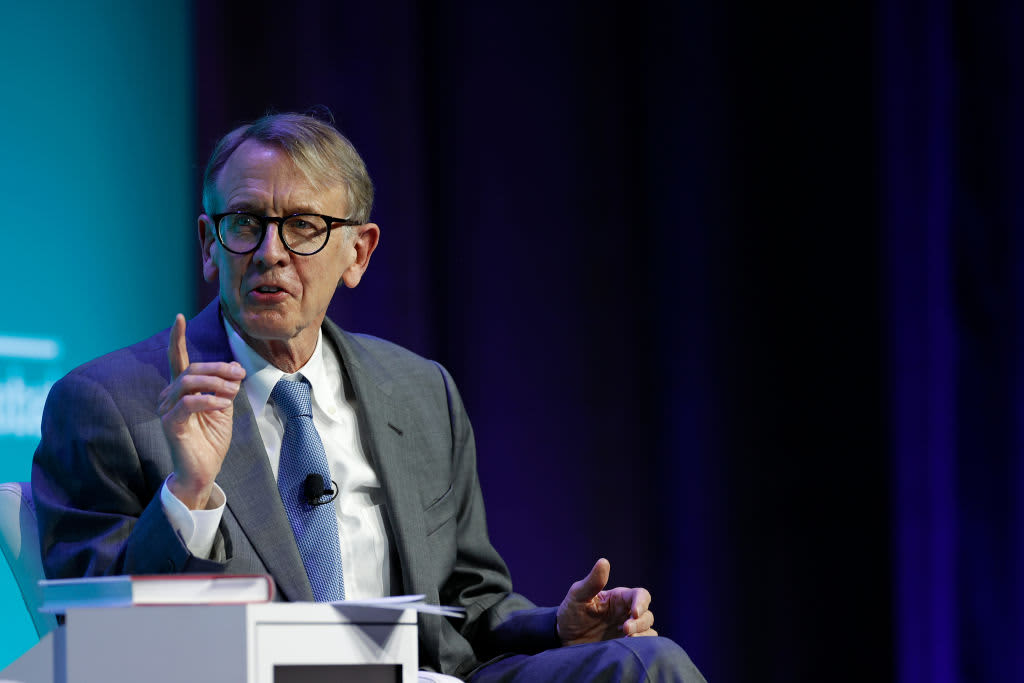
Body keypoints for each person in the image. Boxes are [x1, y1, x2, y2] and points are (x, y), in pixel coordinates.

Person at [32, 112, 705, 681]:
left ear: (358, 253)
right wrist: (188, 493)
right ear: (210, 245)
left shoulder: (419, 391)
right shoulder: (108, 402)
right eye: (245, 222)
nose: (270, 252)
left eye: (303, 226)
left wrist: (558, 625)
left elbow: (472, 603)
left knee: (648, 663)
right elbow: (99, 642)